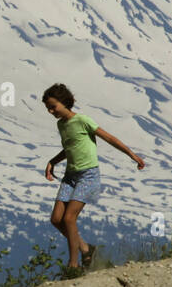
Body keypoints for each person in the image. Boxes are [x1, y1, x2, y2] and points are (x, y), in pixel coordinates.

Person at [42, 84, 145, 275]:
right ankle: (86, 249)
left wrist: (132, 155)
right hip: (70, 176)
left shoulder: (82, 121)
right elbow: (70, 147)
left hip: (87, 175)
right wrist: (53, 161)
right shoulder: (61, 125)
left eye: (53, 106)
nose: (50, 111)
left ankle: (73, 266)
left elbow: (109, 138)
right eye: (48, 108)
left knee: (69, 218)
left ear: (64, 102)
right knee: (56, 219)